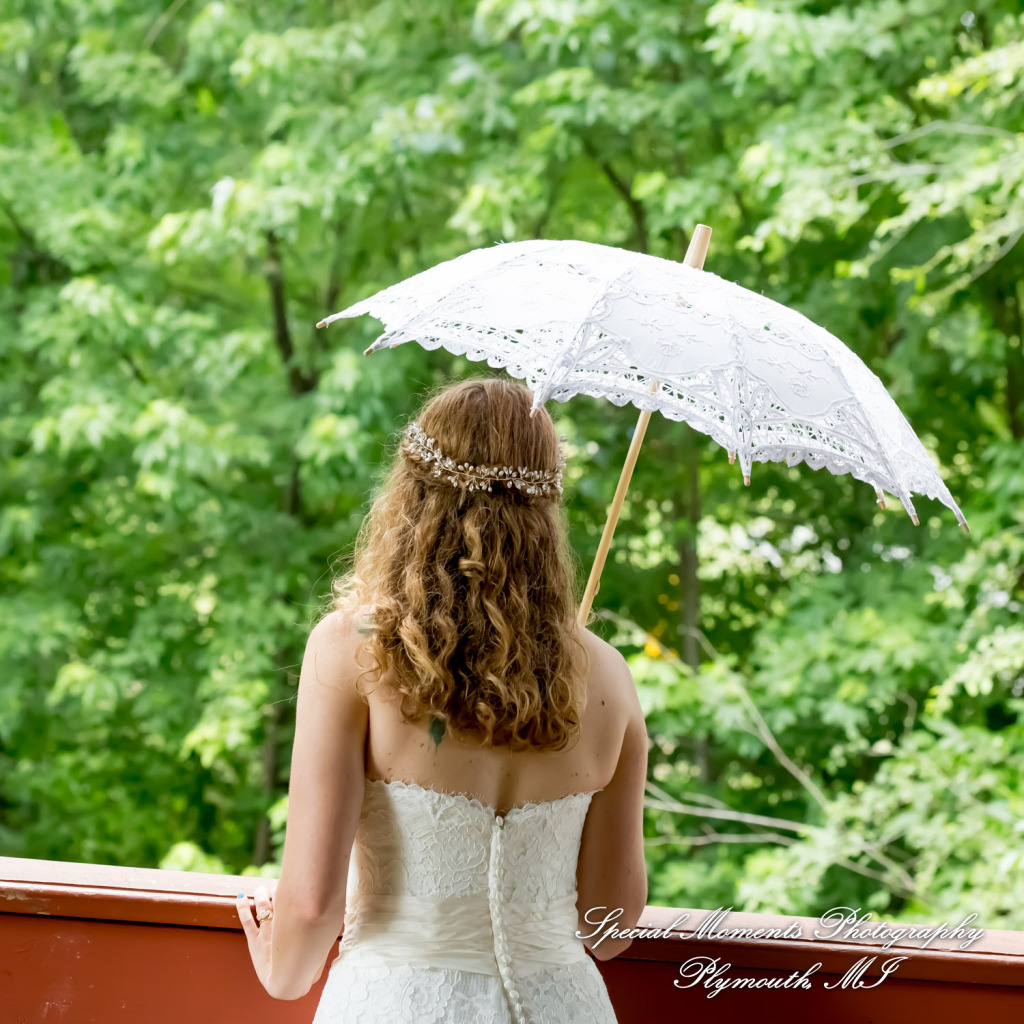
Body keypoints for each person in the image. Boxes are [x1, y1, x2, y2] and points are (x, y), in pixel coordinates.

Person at [237, 376, 649, 1023]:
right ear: (547, 505)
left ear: (411, 494)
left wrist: (280, 970)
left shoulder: (356, 648)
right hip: (563, 1005)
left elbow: (312, 905)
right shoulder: (608, 675)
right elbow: (610, 926)